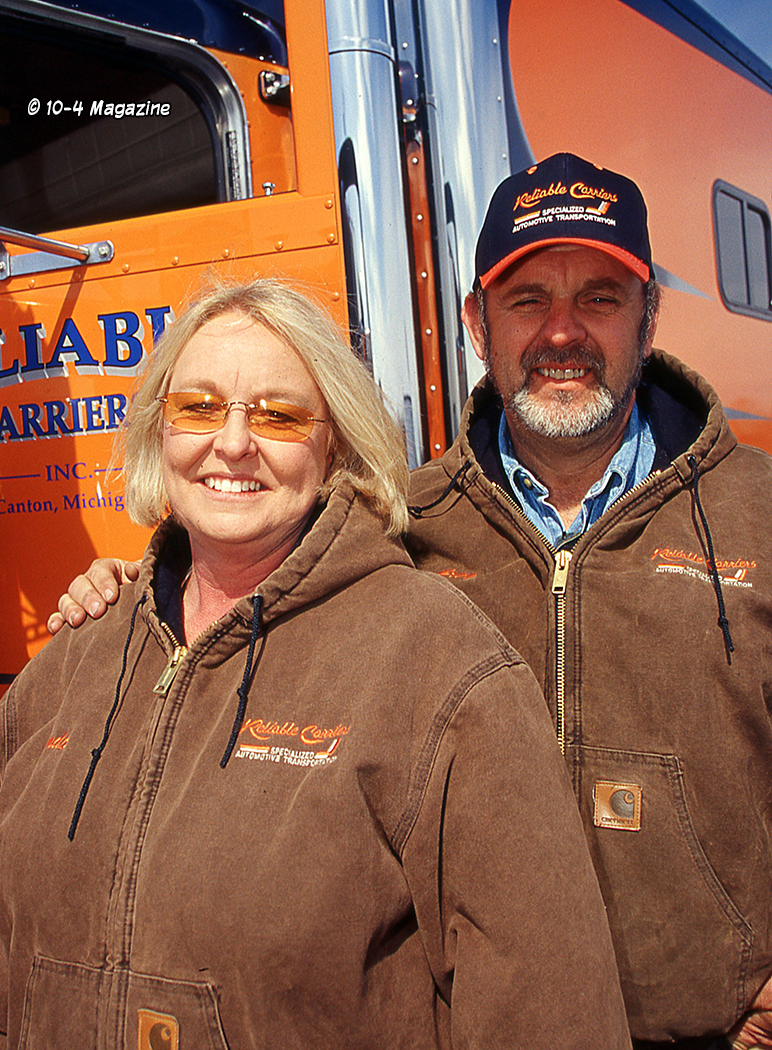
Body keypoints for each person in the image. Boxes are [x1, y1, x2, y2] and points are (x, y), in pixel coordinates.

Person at [54, 156, 772, 1050]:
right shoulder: (399, 524)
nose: (561, 331)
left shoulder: (757, 515)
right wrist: (129, 590)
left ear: (649, 316)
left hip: (720, 1033)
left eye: (599, 297)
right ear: (476, 323)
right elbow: (245, 582)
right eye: (526, 300)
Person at [0, 278, 631, 1048]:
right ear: (159, 428)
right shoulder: (71, 660)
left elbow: (548, 1015)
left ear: (334, 444)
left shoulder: (437, 663)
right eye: (198, 406)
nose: (232, 443)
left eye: (278, 415)